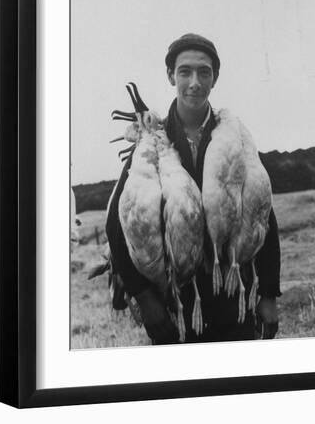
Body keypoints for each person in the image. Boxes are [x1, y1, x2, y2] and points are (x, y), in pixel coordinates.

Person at [106, 33, 281, 344]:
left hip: (233, 297)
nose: (195, 82)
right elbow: (117, 226)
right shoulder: (153, 141)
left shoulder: (236, 138)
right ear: (171, 75)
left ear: (215, 77)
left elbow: (263, 216)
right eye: (185, 71)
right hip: (175, 305)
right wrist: (146, 299)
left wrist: (268, 294)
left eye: (204, 71)